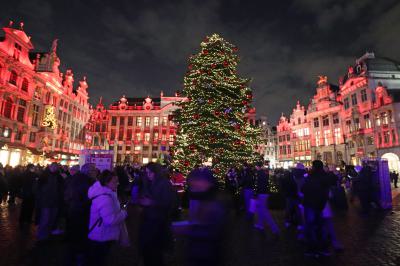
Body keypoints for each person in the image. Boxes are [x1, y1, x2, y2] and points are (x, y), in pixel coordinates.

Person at [182, 167, 228, 266]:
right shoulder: (204, 197)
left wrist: (188, 229)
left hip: (207, 254)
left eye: (195, 184)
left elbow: (213, 231)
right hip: (200, 253)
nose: (193, 187)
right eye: (191, 185)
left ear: (206, 182)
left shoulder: (214, 203)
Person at [87, 170, 128, 266]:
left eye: (117, 181)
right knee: (99, 259)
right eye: (114, 181)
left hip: (101, 233)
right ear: (106, 182)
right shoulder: (105, 198)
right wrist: (124, 213)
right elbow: (110, 220)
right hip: (102, 235)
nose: (117, 184)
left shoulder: (106, 193)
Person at [138, 162, 175, 266]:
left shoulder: (164, 183)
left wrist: (152, 202)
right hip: (148, 220)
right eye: (147, 173)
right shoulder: (149, 182)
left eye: (150, 173)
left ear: (156, 172)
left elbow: (169, 203)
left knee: (155, 252)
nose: (148, 175)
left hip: (158, 223)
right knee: (148, 251)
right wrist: (142, 200)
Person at [64, 164, 96, 266]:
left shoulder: (74, 179)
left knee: (74, 235)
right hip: (82, 212)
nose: (95, 171)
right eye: (93, 170)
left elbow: (67, 195)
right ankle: (79, 259)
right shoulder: (87, 182)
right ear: (89, 171)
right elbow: (89, 198)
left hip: (73, 210)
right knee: (81, 236)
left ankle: (71, 257)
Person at [301, 160, 331, 257]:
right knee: (320, 227)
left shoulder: (311, 177)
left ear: (314, 167)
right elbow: (327, 191)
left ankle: (312, 249)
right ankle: (323, 249)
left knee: (310, 227)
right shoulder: (325, 177)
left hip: (310, 204)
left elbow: (304, 189)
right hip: (320, 205)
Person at [36, 162, 64, 242]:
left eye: (56, 167)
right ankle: (41, 236)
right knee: (45, 219)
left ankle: (47, 235)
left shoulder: (59, 177)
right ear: (50, 167)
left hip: (55, 202)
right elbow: (37, 188)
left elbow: (61, 189)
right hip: (46, 202)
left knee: (51, 219)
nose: (55, 168)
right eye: (53, 166)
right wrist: (41, 197)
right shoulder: (44, 175)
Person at [253, 162, 280, 236]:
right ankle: (260, 224)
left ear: (257, 166)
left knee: (264, 211)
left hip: (261, 193)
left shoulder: (258, 173)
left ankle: (275, 228)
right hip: (264, 193)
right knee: (260, 209)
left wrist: (256, 193)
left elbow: (258, 185)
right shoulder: (264, 173)